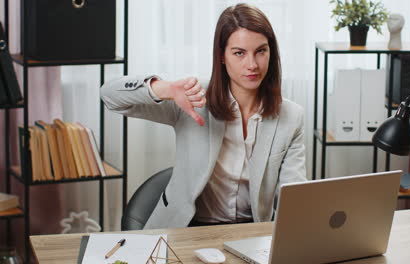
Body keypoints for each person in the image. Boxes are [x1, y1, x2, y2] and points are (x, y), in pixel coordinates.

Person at [101, 3, 306, 229]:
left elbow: (294, 197)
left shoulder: (291, 116)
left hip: (253, 231)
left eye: (260, 51)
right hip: (188, 228)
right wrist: (164, 89)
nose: (252, 65)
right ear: (221, 56)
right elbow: (110, 96)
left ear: (271, 52)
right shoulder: (192, 98)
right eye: (239, 53)